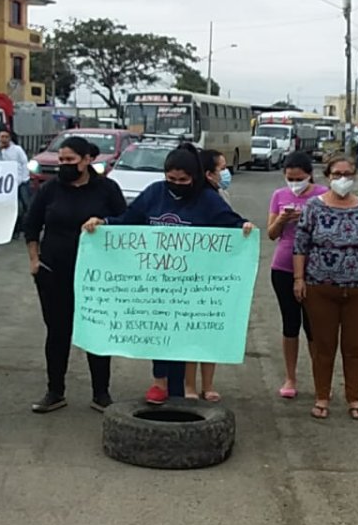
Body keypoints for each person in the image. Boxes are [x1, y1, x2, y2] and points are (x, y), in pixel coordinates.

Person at [82, 144, 254, 405]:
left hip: (191, 284)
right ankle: (159, 382)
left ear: (194, 177)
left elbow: (229, 222)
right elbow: (129, 220)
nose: (176, 184)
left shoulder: (207, 199)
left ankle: (181, 387)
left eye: (182, 180)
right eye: (170, 179)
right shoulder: (154, 193)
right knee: (159, 332)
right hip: (156, 281)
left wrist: (244, 228)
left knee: (183, 335)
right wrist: (103, 224)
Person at [24, 136, 126, 414]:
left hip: (97, 277)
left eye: (70, 160)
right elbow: (31, 225)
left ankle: (101, 393)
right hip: (53, 272)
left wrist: (105, 223)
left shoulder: (107, 189)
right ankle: (55, 391)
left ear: (87, 160)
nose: (64, 165)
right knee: (57, 333)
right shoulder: (50, 190)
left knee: (97, 331)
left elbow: (126, 223)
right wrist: (35, 260)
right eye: (61, 160)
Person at [293, 156, 358, 421]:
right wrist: (298, 279)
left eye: (348, 173)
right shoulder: (313, 207)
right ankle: (322, 396)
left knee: (354, 346)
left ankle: (354, 398)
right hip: (320, 286)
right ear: (327, 176)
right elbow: (300, 245)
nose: (342, 178)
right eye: (337, 174)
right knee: (324, 345)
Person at [267, 152, 327, 399]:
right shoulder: (279, 196)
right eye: (290, 178)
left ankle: (320, 380)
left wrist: (308, 218)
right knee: (290, 325)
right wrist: (282, 219)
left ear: (310, 175)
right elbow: (271, 233)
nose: (294, 183)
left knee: (315, 327)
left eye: (299, 178)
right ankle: (290, 377)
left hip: (316, 269)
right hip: (283, 266)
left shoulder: (323, 195)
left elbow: (331, 230)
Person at [184, 149, 232, 401]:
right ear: (207, 172)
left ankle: (208, 385)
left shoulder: (219, 195)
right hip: (190, 274)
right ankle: (190, 386)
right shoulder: (197, 198)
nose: (226, 173)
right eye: (221, 168)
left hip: (214, 274)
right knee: (193, 332)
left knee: (210, 331)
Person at [0, 129, 31, 237]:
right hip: (5, 183)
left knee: (26, 205)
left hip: (21, 181)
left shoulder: (17, 149)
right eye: (2, 137)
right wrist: (0, 150)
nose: (4, 139)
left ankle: (26, 228)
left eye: (6, 137)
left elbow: (24, 163)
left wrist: (23, 178)